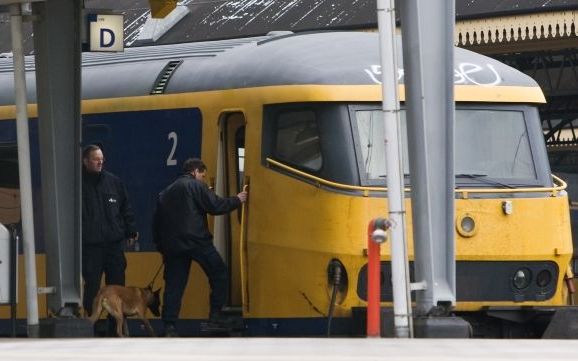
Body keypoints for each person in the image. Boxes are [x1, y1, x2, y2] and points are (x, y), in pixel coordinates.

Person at [153, 158, 247, 337]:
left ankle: (169, 327)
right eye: (203, 175)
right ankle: (215, 317)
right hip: (197, 241)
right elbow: (215, 206)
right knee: (219, 273)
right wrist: (237, 199)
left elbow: (156, 223)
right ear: (195, 171)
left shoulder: (165, 192)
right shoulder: (196, 186)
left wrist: (162, 247)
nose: (203, 179)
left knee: (174, 286)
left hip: (173, 246)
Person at [82, 144, 139, 319]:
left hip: (114, 245)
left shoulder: (114, 182)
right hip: (91, 246)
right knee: (92, 286)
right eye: (95, 159)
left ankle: (115, 325)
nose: (100, 162)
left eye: (102, 159)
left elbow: (125, 208)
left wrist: (131, 230)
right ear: (85, 161)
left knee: (117, 286)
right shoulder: (77, 185)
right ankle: (93, 321)